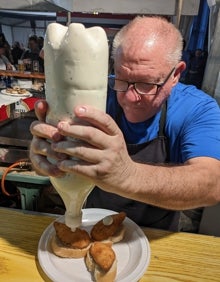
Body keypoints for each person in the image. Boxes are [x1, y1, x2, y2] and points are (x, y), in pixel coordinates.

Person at [29, 16, 220, 232]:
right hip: (92, 221)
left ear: (176, 74)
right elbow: (54, 150)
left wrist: (127, 175)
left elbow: (212, 183)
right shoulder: (95, 93)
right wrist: (45, 154)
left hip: (156, 234)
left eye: (146, 84)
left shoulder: (197, 109)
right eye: (120, 78)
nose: (129, 97)